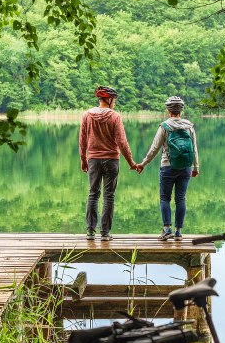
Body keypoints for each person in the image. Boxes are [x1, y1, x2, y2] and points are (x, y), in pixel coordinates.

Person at [79, 86, 140, 241]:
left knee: (93, 193)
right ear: (109, 99)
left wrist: (83, 159)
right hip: (112, 160)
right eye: (114, 100)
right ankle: (105, 233)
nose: (115, 103)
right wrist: (131, 162)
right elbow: (122, 141)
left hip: (93, 159)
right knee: (109, 196)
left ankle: (90, 232)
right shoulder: (115, 116)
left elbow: (82, 139)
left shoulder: (87, 115)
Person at [137, 96, 199, 241]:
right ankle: (178, 232)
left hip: (167, 166)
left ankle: (167, 230)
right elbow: (194, 149)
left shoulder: (165, 126)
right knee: (181, 199)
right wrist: (195, 167)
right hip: (186, 167)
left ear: (168, 110)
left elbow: (154, 149)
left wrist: (143, 164)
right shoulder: (189, 126)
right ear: (181, 111)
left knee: (165, 198)